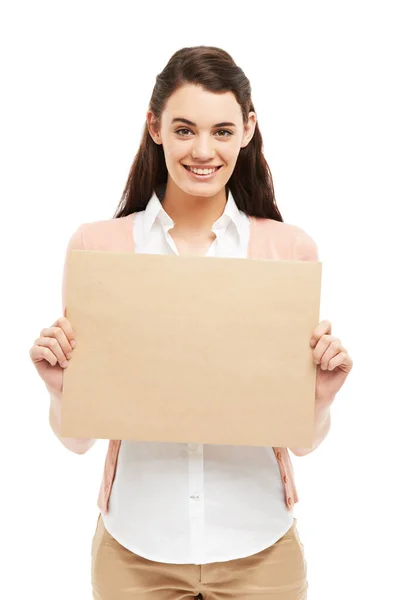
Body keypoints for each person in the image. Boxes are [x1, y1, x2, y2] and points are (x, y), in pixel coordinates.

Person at [29, 45, 353, 600]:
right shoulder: (99, 247)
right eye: (184, 129)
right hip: (135, 550)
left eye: (223, 131)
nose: (203, 150)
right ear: (154, 128)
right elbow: (78, 440)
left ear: (248, 130)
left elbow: (303, 443)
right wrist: (62, 391)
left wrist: (319, 398)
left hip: (259, 548)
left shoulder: (288, 249)